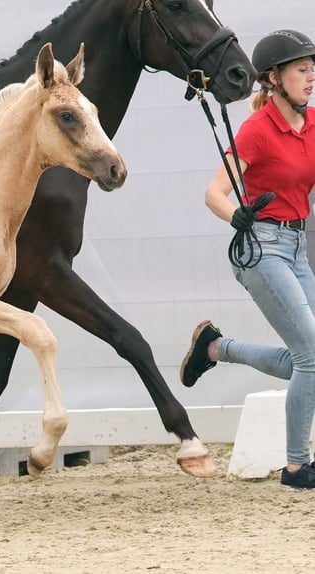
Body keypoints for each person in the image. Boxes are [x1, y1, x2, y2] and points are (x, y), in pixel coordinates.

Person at [180, 29, 315, 489]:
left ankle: (215, 348)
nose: (311, 76)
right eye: (302, 69)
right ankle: (297, 467)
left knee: (310, 357)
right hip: (260, 247)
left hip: (298, 247)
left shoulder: (312, 124)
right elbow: (213, 193)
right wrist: (235, 214)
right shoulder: (256, 131)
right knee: (311, 354)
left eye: (313, 68)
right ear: (273, 79)